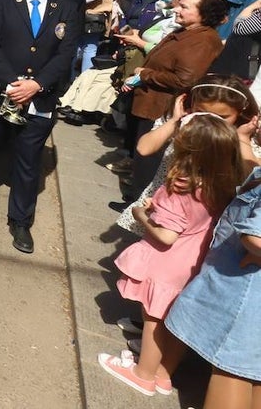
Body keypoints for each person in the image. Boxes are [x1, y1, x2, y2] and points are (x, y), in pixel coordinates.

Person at [99, 114, 249, 397]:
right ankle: (163, 375)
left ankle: (143, 374)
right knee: (173, 320)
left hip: (167, 261)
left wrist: (141, 214)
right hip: (195, 260)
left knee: (154, 319)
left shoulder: (181, 185)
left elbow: (167, 235)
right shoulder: (222, 184)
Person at [0, 0, 83, 254]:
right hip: (3, 90)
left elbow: (66, 52)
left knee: (29, 159)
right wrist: (12, 83)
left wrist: (36, 84)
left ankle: (20, 219)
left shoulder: (67, 6)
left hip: (41, 96)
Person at [164, 161, 261, 408]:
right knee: (254, 373)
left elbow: (255, 236)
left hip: (245, 299)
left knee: (232, 370)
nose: (258, 121)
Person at [122, 0, 227, 200]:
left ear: (204, 14)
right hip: (152, 103)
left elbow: (185, 80)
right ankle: (135, 200)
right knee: (143, 157)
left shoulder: (203, 41)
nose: (177, 9)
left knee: (151, 160)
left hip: (163, 107)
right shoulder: (185, 32)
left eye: (185, 7)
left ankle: (140, 206)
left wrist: (145, 74)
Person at [119, 77, 260, 234]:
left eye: (223, 117)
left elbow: (253, 176)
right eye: (201, 112)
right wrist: (174, 120)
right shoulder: (183, 122)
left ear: (241, 113)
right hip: (167, 205)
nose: (209, 120)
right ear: (191, 104)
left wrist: (242, 139)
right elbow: (144, 148)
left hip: (204, 217)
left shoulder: (243, 133)